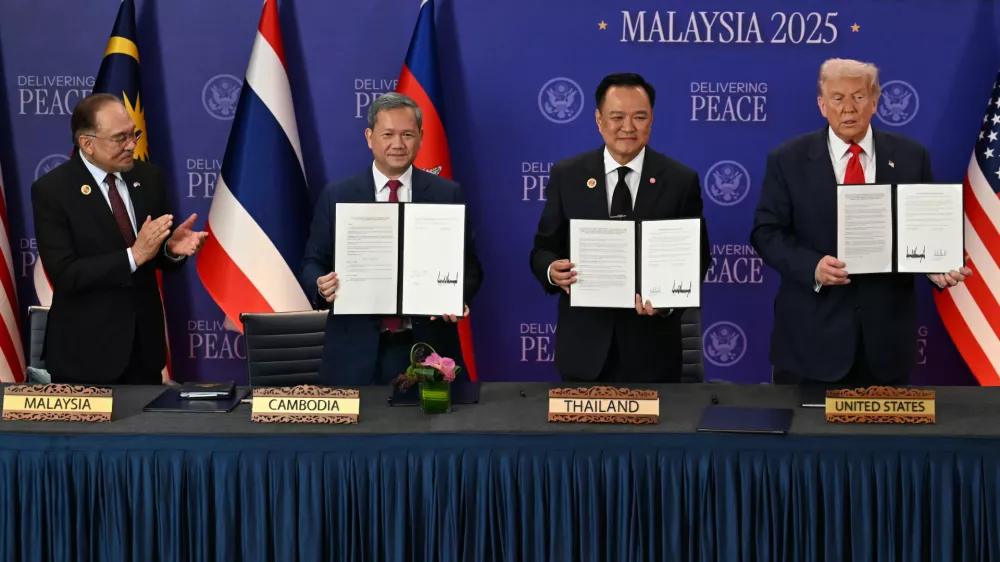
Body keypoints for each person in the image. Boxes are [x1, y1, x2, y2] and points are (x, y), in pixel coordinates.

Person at [750, 58, 972, 387]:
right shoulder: (787, 160)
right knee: (808, 439)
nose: (848, 108)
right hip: (810, 344)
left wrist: (936, 265)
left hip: (885, 345)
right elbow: (766, 233)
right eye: (837, 99)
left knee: (880, 439)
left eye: (859, 97)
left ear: (875, 103)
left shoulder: (912, 158)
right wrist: (813, 266)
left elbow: (926, 228)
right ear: (822, 106)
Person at [529, 73, 711, 383]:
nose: (628, 127)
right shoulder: (568, 175)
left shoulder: (680, 180)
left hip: (652, 351)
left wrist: (667, 304)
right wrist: (551, 270)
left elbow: (697, 259)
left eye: (639, 117)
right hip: (584, 350)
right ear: (599, 120)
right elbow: (543, 249)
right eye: (617, 117)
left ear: (651, 120)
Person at [299, 93, 482, 386]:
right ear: (370, 137)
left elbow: (470, 266)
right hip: (352, 352)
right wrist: (321, 285)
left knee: (435, 431)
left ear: (421, 137)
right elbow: (312, 262)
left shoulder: (447, 194)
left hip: (428, 348)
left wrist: (458, 297)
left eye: (408, 134)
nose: (398, 144)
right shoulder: (338, 195)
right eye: (388, 135)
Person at [32, 93, 208, 385]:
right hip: (85, 356)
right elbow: (66, 274)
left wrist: (171, 249)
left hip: (144, 353)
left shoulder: (148, 177)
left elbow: (154, 256)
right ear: (87, 144)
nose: (131, 145)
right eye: (119, 138)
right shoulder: (53, 191)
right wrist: (134, 255)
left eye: (133, 134)